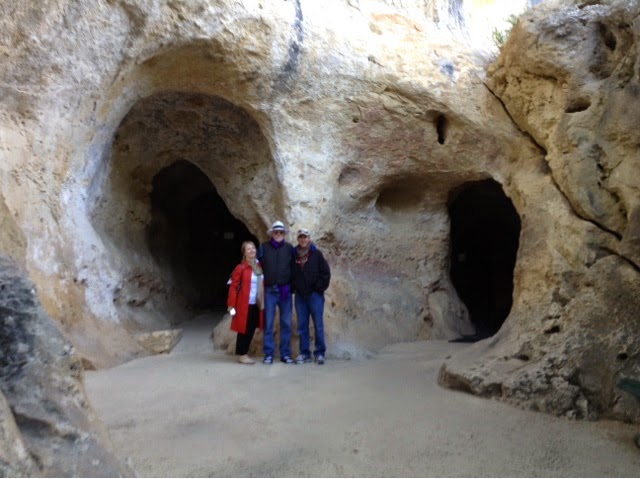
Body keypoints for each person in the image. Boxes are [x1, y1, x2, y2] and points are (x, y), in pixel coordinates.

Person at [291, 228, 331, 365]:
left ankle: (320, 353)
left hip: (315, 295)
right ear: (298, 239)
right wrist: (294, 287)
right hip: (300, 296)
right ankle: (304, 353)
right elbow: (290, 273)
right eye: (301, 237)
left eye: (305, 237)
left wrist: (317, 288)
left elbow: (325, 273)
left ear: (309, 238)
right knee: (302, 326)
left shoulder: (316, 254)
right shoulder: (294, 255)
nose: (303, 239)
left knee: (318, 325)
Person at [258, 221, 294, 364]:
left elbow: (295, 266)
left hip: (285, 290)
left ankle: (285, 354)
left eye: (281, 232)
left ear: (284, 234)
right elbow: (256, 265)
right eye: (276, 232)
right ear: (272, 233)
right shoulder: (264, 247)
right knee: (269, 323)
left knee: (286, 323)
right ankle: (268, 354)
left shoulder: (289, 248)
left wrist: (291, 285)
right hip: (270, 291)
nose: (278, 234)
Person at [227, 241, 264, 364]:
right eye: (248, 249)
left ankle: (244, 353)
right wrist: (231, 305)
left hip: (256, 303)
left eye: (253, 248)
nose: (252, 250)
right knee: (244, 329)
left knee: (251, 328)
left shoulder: (259, 266)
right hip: (244, 303)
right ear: (244, 253)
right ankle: (242, 355)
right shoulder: (241, 267)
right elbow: (233, 287)